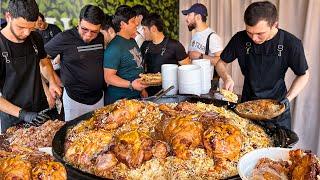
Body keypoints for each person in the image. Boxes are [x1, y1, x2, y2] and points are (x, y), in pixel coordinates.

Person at [215, 1, 309, 129]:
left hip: (277, 109)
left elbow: (303, 75)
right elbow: (220, 63)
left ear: (274, 24)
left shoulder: (291, 43)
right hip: (247, 107)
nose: (253, 38)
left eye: (260, 34)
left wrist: (288, 99)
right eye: (249, 32)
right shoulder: (239, 39)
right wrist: (226, 77)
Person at [0, 0, 61, 132]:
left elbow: (44, 63)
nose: (27, 33)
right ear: (8, 17)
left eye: (31, 27)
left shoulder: (35, 38)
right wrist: (24, 114)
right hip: (13, 117)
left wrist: (51, 81)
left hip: (40, 109)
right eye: (21, 27)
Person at [45, 5, 105, 121]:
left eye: (94, 31)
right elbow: (42, 57)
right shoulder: (65, 37)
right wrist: (53, 80)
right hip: (74, 101)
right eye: (84, 29)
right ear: (78, 21)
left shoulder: (100, 38)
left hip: (98, 98)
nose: (88, 35)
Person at [104, 6, 148, 105]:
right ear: (123, 24)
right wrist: (131, 85)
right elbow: (108, 77)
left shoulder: (132, 41)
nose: (137, 23)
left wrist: (141, 90)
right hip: (120, 102)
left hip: (135, 98)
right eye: (133, 21)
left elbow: (136, 67)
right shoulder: (114, 47)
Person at [141, 13, 190, 96]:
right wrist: (142, 90)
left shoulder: (175, 45)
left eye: (144, 29)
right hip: (148, 94)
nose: (143, 32)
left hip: (170, 93)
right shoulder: (145, 45)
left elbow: (187, 71)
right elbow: (141, 69)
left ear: (153, 29)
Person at [182, 3, 223, 89]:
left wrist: (200, 56)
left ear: (198, 17)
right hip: (193, 82)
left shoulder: (212, 37)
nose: (186, 18)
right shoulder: (195, 35)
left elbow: (221, 61)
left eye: (189, 15)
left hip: (206, 85)